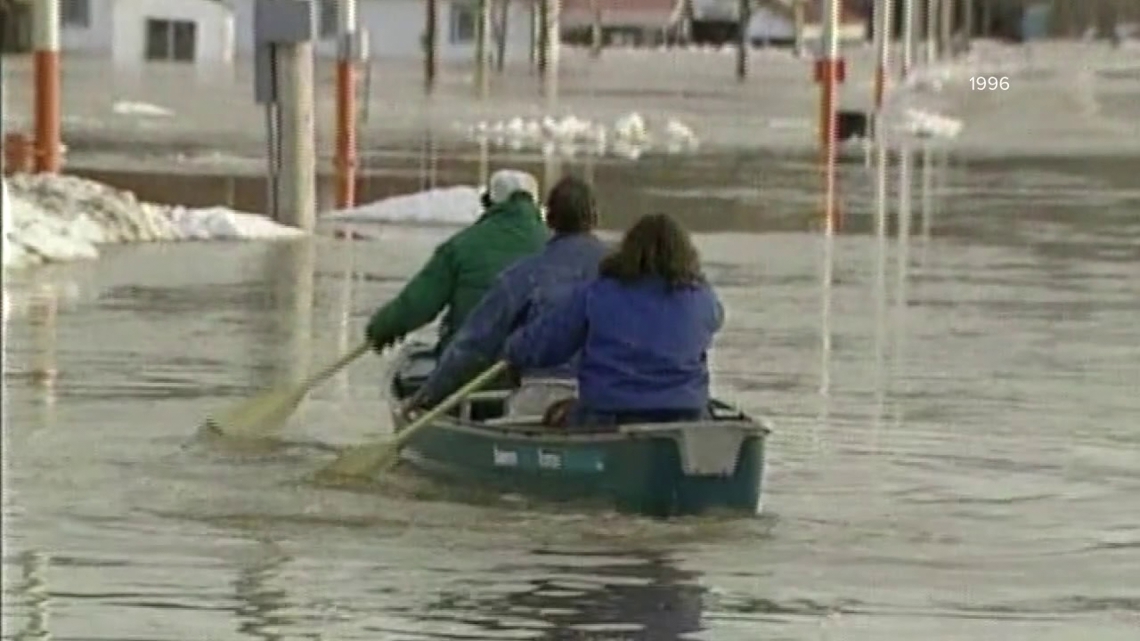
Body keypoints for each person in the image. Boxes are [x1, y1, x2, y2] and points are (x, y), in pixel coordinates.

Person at [405, 176, 609, 417]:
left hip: (542, 394)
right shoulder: (624, 270)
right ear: (594, 218)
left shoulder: (524, 274)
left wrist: (429, 394)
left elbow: (472, 344)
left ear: (549, 219)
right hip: (608, 396)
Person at [503, 213, 723, 430]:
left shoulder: (596, 294)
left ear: (627, 250)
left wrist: (513, 349)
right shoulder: (703, 299)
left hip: (609, 418)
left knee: (558, 413)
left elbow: (544, 346)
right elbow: (715, 321)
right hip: (688, 418)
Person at [364, 169, 547, 355]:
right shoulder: (558, 247)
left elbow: (418, 303)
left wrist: (383, 328)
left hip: (469, 359)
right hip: (539, 361)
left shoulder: (461, 246)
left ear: (488, 203)